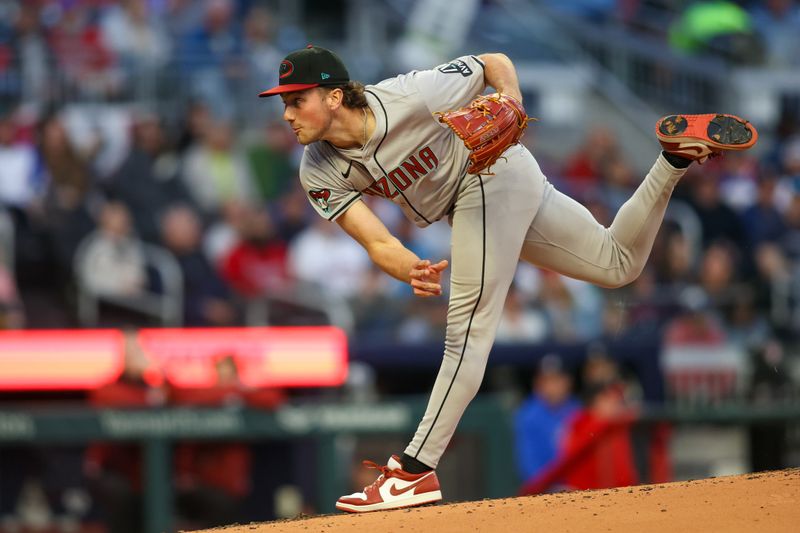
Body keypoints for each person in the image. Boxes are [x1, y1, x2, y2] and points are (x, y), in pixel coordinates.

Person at [257, 45, 757, 512]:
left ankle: (412, 472)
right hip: (476, 198)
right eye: (285, 103)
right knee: (616, 264)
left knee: (466, 333)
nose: (287, 114)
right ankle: (672, 159)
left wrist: (510, 98)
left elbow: (492, 61)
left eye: (297, 100)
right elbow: (377, 242)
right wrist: (409, 265)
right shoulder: (316, 169)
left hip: (490, 173)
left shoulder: (412, 93)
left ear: (335, 95)